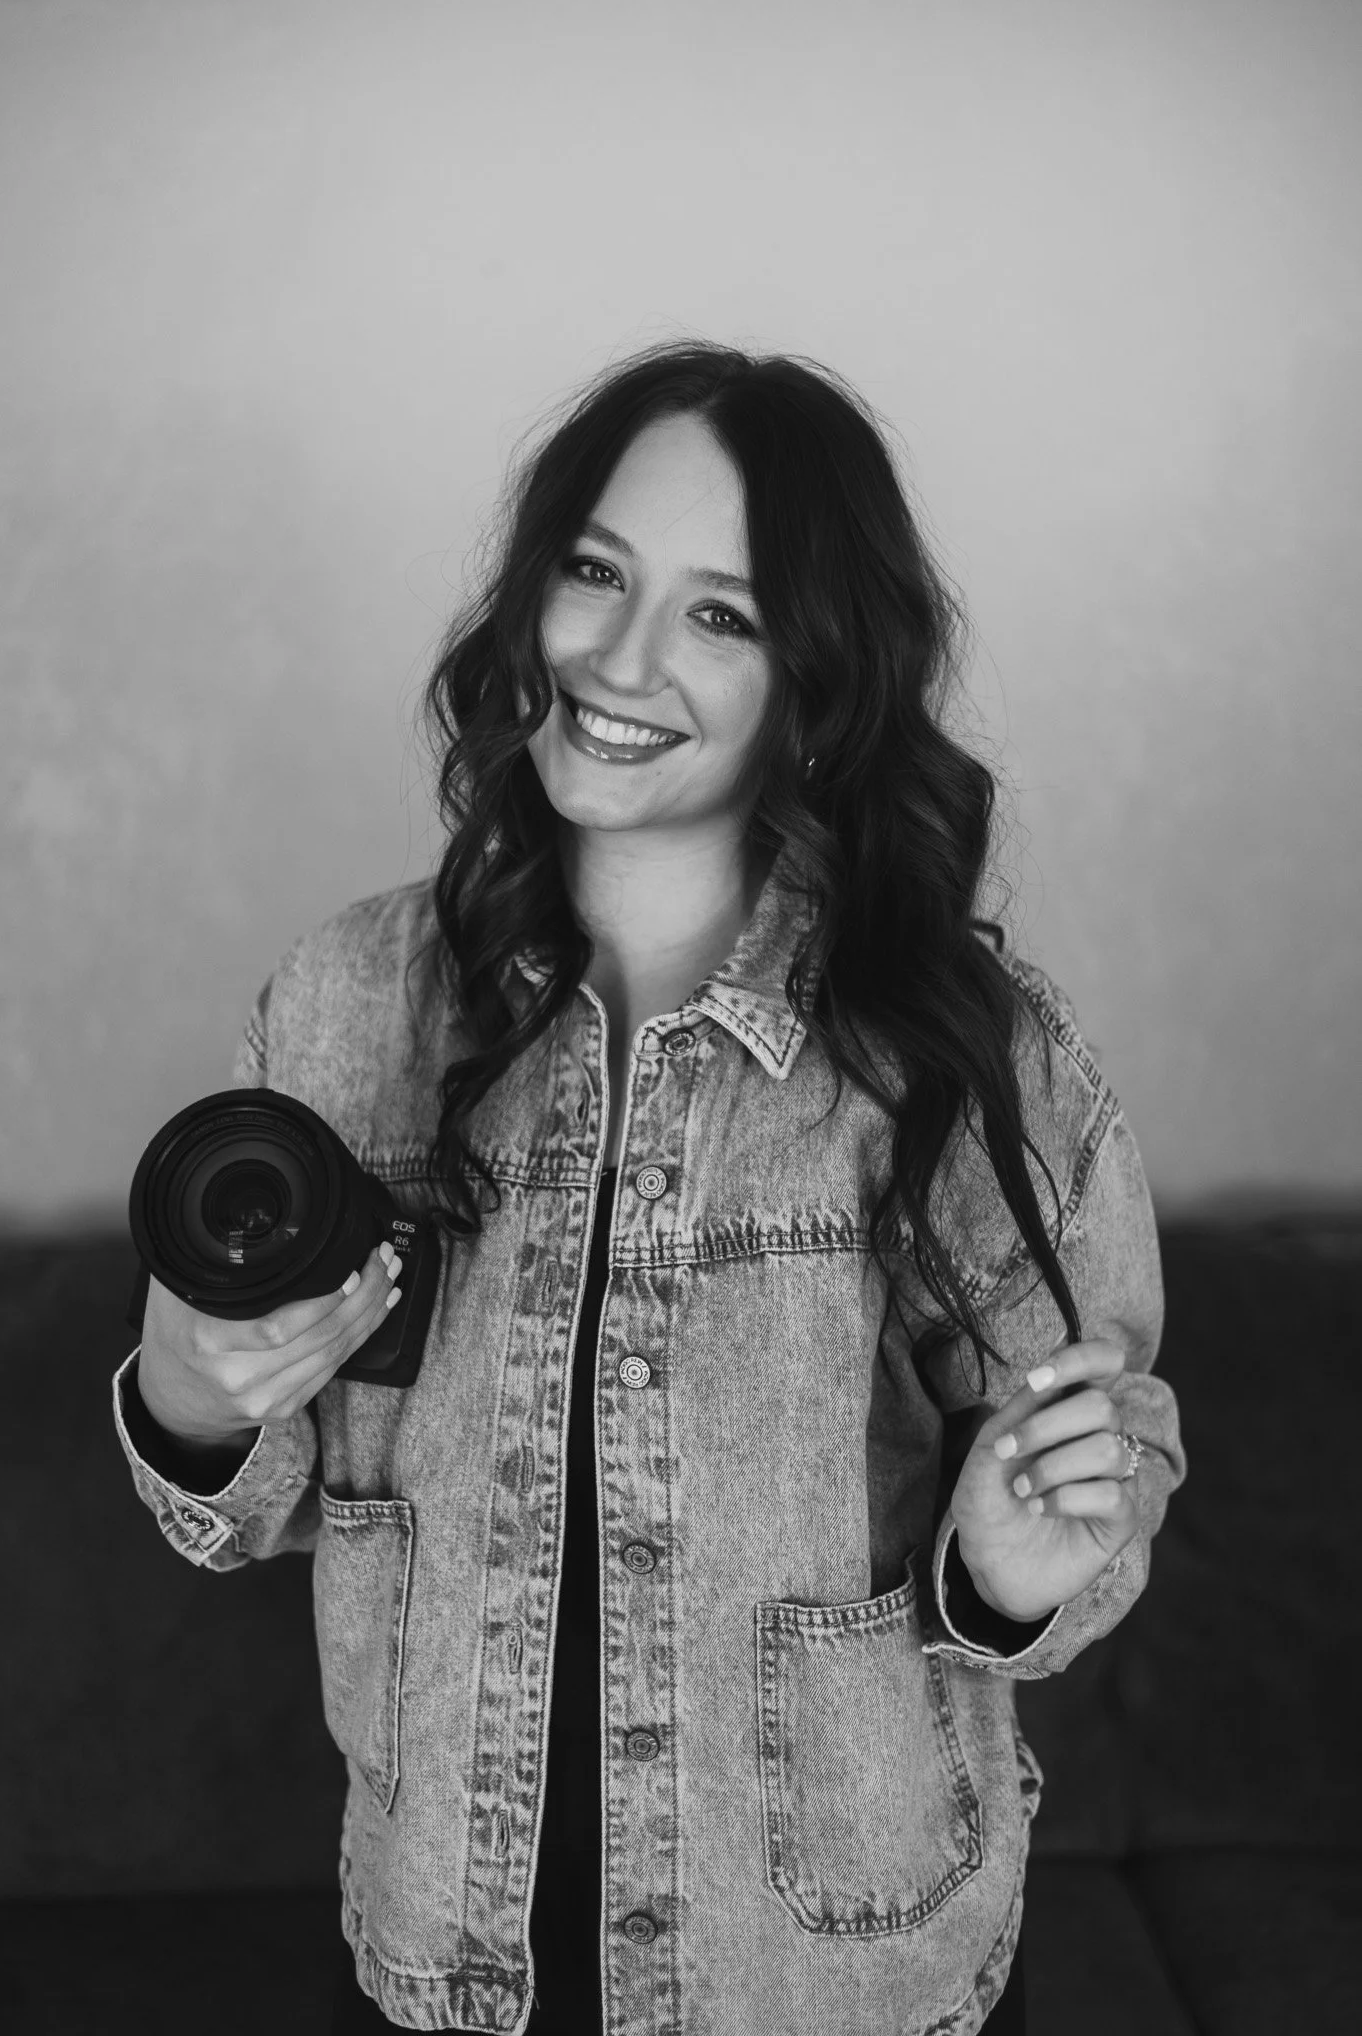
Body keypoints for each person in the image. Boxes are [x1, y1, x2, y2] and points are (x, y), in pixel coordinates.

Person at [113, 341, 1186, 2035]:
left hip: (838, 1975)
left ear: (816, 680)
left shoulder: (964, 1052)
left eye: (723, 613)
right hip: (441, 1954)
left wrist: (1016, 1565)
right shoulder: (344, 1000)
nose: (619, 657)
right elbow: (251, 1500)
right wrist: (186, 1395)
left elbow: (1105, 1467)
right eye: (597, 573)